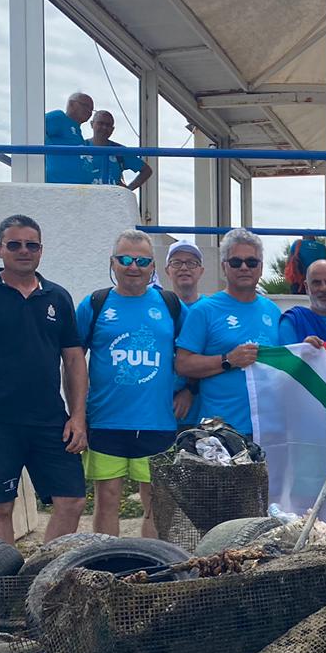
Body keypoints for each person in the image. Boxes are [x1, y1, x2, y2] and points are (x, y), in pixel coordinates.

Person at [0, 214, 88, 545]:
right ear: (0, 249)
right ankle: (3, 576)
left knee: (72, 501)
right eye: (14, 245)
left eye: (31, 245)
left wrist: (78, 417)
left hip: (49, 419)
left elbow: (73, 360)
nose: (24, 251)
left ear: (41, 250)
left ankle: (44, 571)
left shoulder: (58, 297)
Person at [75, 230, 186, 538]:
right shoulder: (95, 304)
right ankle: (108, 562)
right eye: (124, 259)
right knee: (107, 499)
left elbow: (191, 352)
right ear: (112, 263)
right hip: (106, 419)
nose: (133, 267)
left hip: (156, 421)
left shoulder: (170, 304)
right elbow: (72, 360)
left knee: (154, 503)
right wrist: (77, 413)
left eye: (142, 261)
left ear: (153, 267)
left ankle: (150, 563)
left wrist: (188, 389)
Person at [174, 228, 283, 439]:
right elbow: (183, 364)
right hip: (219, 432)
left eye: (251, 262)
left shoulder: (273, 311)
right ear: (224, 267)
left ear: (261, 268)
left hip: (266, 430)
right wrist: (228, 360)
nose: (244, 267)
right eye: (235, 262)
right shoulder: (204, 310)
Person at [164, 241, 207, 428]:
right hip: (159, 412)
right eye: (176, 262)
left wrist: (190, 389)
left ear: (201, 271)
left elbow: (213, 354)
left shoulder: (211, 310)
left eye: (191, 263)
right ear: (167, 270)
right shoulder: (159, 307)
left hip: (198, 415)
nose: (184, 268)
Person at [279, 258, 326, 343]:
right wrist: (303, 348)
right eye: (316, 283)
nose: (324, 289)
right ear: (306, 287)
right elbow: (288, 352)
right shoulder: (293, 322)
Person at [87, 110, 153, 191]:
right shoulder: (82, 147)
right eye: (100, 123)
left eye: (108, 125)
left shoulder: (120, 151)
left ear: (112, 129)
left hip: (112, 197)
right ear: (92, 124)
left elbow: (146, 170)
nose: (104, 127)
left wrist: (128, 190)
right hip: (86, 196)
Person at [43, 92, 94, 185]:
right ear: (71, 104)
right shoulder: (59, 117)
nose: (89, 111)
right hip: (59, 185)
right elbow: (33, 127)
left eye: (91, 109)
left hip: (76, 187)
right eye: (85, 106)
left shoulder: (77, 131)